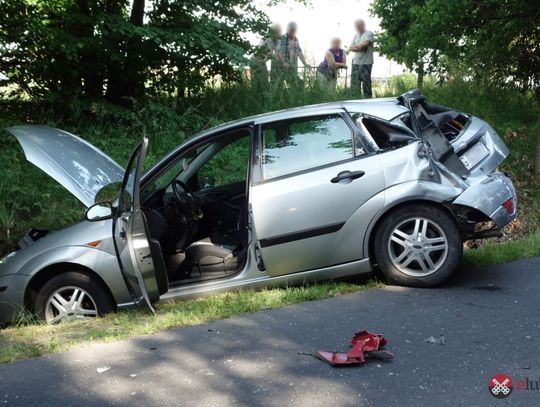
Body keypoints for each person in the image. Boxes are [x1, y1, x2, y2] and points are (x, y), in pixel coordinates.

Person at [349, 19, 374, 98]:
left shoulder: (369, 33)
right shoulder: (355, 35)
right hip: (355, 62)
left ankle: (368, 101)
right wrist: (359, 47)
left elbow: (365, 45)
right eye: (356, 26)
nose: (357, 27)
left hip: (366, 63)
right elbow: (350, 48)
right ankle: (356, 100)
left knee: (366, 85)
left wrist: (357, 47)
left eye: (358, 26)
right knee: (355, 84)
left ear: (363, 25)